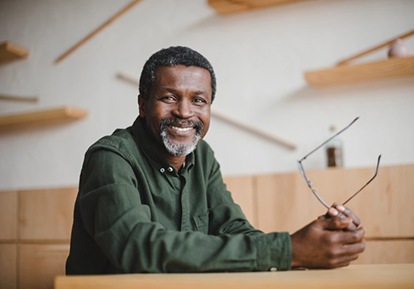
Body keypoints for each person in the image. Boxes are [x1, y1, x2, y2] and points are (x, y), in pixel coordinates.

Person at [66, 46, 365, 274]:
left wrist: (312, 241)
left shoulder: (202, 155)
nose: (185, 112)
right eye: (169, 97)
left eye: (198, 100)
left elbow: (234, 229)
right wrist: (288, 250)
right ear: (143, 105)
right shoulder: (110, 157)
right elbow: (137, 247)